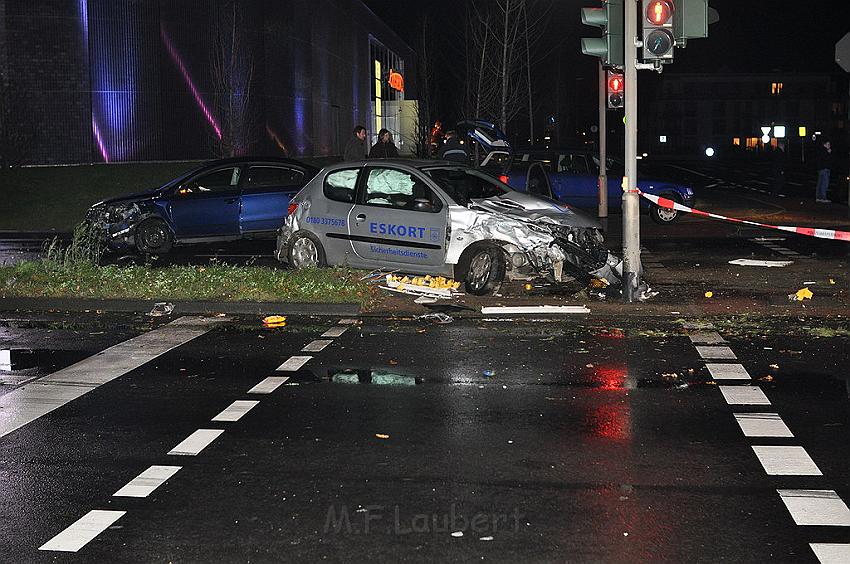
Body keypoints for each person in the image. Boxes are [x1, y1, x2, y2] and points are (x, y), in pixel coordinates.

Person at [814, 138, 832, 203]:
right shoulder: (825, 152)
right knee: (824, 184)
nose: (829, 145)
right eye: (828, 144)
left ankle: (818, 197)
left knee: (820, 184)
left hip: (820, 169)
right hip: (825, 169)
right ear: (824, 145)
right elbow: (827, 160)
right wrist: (829, 153)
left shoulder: (819, 151)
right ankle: (823, 198)